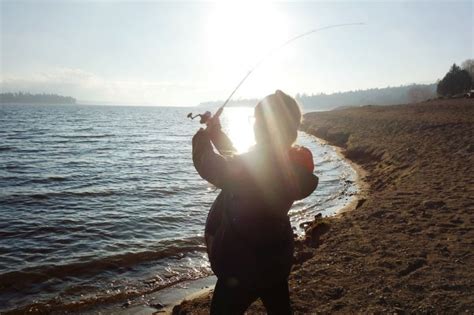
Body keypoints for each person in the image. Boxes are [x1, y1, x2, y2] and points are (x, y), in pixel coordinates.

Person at [192, 90, 319, 314]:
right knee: (279, 308)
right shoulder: (293, 164)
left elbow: (212, 165)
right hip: (276, 258)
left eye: (256, 119)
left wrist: (202, 137)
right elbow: (241, 161)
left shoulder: (254, 166)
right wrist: (217, 134)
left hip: (240, 266)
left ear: (263, 127)